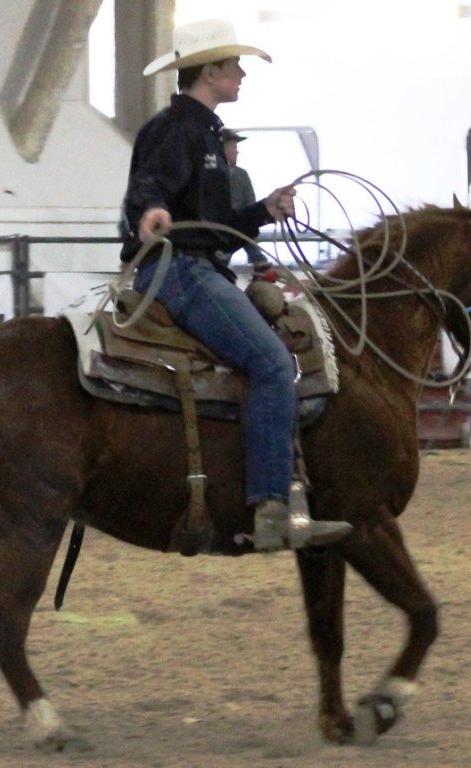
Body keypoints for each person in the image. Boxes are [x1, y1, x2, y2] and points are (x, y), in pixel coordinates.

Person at [119, 18, 351, 551]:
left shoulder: (204, 133)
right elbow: (149, 182)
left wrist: (264, 210)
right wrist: (151, 208)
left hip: (197, 264)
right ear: (211, 71)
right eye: (234, 65)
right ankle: (271, 509)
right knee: (271, 363)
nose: (242, 74)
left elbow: (217, 225)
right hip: (179, 270)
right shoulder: (174, 128)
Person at [220, 128, 268, 266]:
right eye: (233, 146)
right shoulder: (213, 175)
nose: (237, 151)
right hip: (222, 227)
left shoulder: (242, 175)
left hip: (241, 224)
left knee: (254, 251)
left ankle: (259, 267)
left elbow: (250, 201)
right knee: (222, 259)